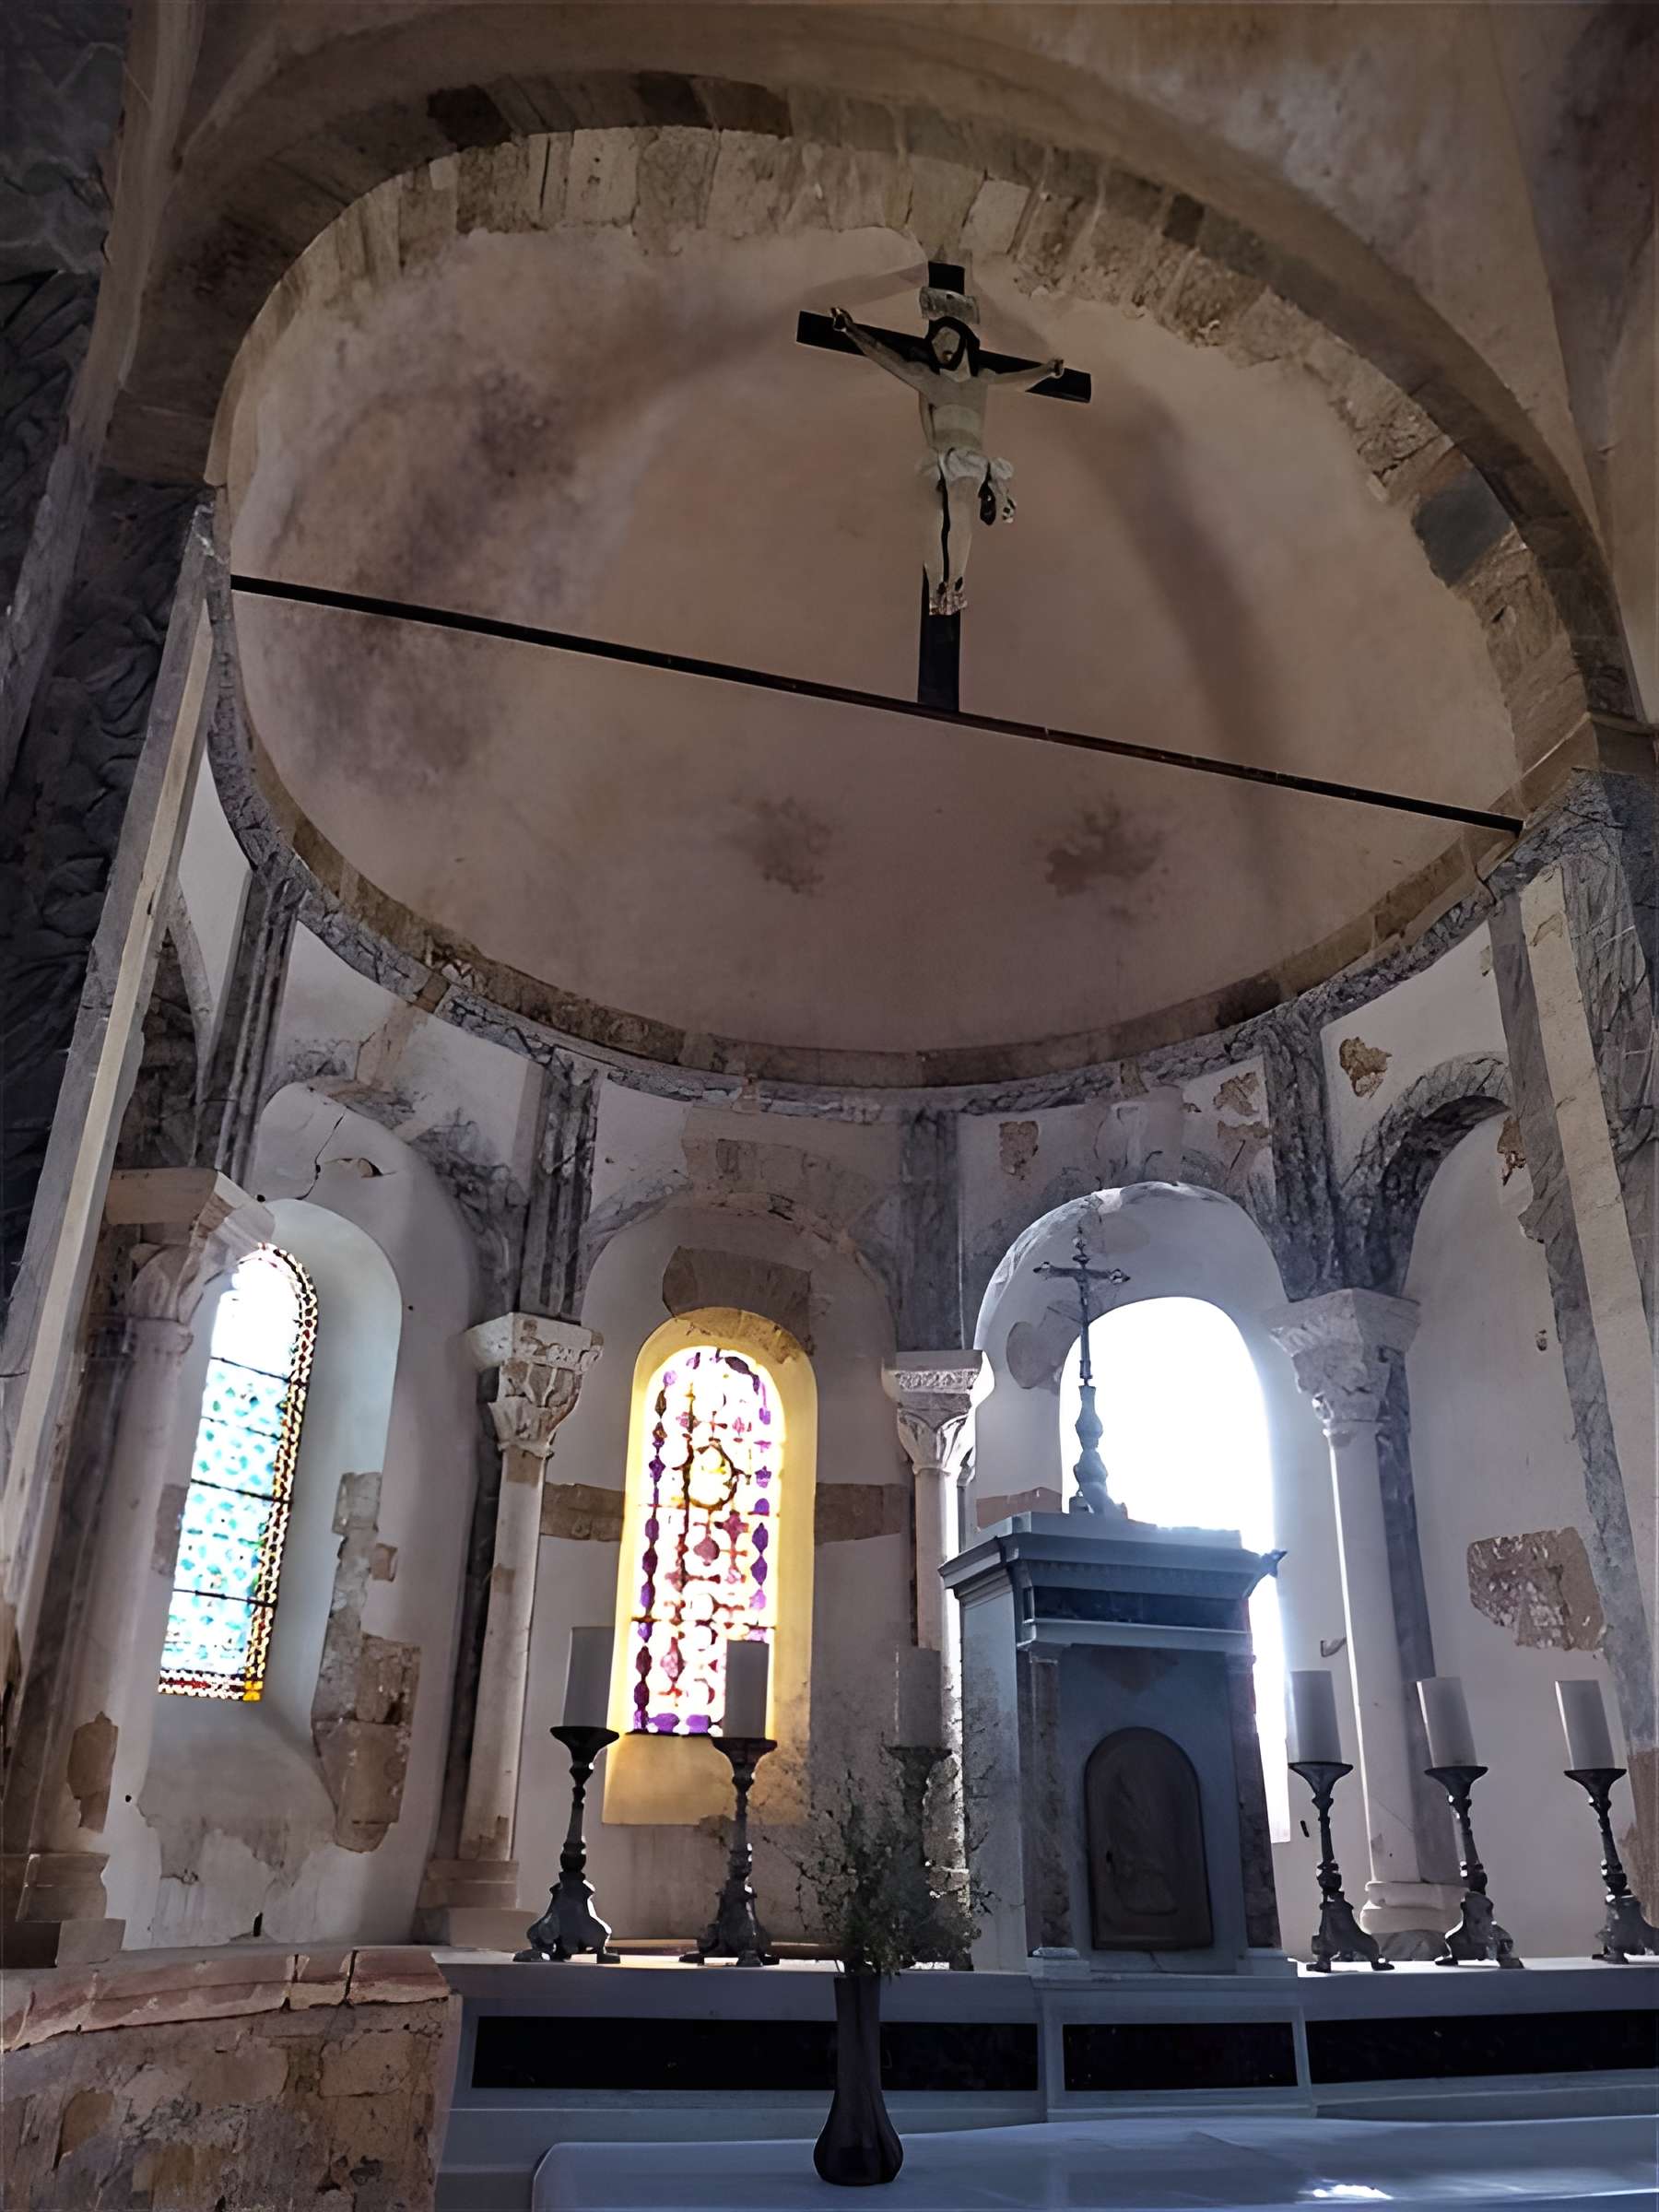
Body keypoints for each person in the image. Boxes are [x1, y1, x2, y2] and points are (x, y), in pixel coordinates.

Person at [831, 307, 1063, 615]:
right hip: (938, 458)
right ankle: (937, 585)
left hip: (968, 459)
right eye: (935, 342)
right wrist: (851, 330)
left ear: (964, 340)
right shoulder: (928, 380)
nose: (939, 345)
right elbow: (887, 358)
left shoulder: (981, 381)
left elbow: (1016, 380)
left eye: (945, 337)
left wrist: (1046, 371)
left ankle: (956, 582)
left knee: (960, 506)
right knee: (931, 517)